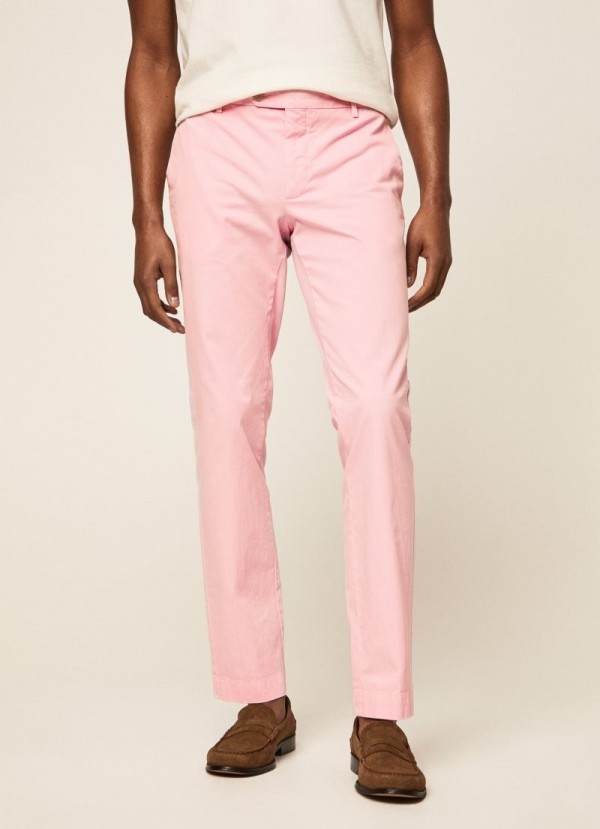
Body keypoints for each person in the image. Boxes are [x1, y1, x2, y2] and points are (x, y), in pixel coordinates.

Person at [125, 0, 452, 802]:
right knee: (226, 411)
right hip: (218, 144)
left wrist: (437, 196)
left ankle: (381, 709)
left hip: (350, 136)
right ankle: (258, 695)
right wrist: (145, 217)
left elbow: (415, 39)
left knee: (376, 405)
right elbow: (153, 52)